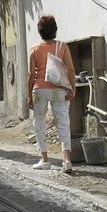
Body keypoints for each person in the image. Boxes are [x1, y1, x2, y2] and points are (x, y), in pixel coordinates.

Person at [28, 14, 77, 172]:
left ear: (40, 31)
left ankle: (45, 159)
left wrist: (29, 94)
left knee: (39, 124)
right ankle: (67, 161)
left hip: (40, 89)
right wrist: (72, 88)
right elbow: (70, 69)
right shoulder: (62, 47)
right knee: (63, 123)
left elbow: (31, 75)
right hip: (58, 89)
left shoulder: (34, 49)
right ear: (55, 30)